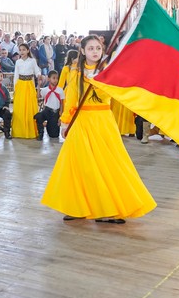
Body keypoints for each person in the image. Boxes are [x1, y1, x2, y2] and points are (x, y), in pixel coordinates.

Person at [41, 35, 157, 224]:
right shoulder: (75, 72)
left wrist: (101, 79)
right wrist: (65, 122)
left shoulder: (108, 70)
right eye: (91, 48)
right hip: (82, 121)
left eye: (98, 48)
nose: (95, 51)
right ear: (83, 51)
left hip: (103, 121)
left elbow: (116, 92)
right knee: (80, 164)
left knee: (107, 164)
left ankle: (108, 209)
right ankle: (77, 207)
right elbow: (71, 98)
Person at [12, 43, 41, 139]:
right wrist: (15, 88)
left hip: (29, 85)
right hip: (20, 85)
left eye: (24, 50)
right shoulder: (18, 62)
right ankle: (20, 131)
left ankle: (30, 130)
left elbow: (37, 71)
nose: (22, 52)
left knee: (29, 106)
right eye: (20, 50)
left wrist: (39, 75)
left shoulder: (32, 61)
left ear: (28, 50)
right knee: (20, 106)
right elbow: (16, 75)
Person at [36, 71, 64, 141]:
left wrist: (60, 116)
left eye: (57, 78)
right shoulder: (45, 89)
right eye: (53, 78)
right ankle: (41, 133)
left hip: (55, 113)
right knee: (39, 116)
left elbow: (62, 103)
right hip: (47, 111)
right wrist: (39, 85)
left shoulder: (60, 90)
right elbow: (38, 96)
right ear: (48, 79)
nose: (55, 80)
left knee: (54, 135)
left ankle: (49, 125)